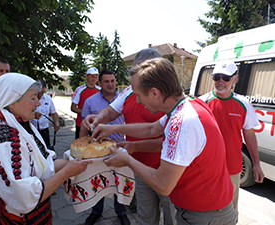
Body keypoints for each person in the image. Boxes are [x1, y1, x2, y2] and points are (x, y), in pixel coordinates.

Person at [90, 58, 236, 225]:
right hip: (206, 210)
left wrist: (127, 160)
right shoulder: (187, 104)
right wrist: (114, 129)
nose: (137, 101)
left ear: (154, 93)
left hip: (204, 216)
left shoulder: (182, 122)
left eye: (139, 95)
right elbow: (152, 129)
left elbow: (163, 184)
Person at [0, 73, 92, 224]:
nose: (38, 103)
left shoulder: (21, 127)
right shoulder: (1, 139)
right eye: (33, 98)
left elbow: (43, 166)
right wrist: (67, 172)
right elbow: (23, 197)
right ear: (11, 102)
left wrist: (82, 160)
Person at [82, 49, 176, 225]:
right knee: (146, 216)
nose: (139, 100)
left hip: (167, 169)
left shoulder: (170, 102)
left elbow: (162, 138)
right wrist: (98, 117)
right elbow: (111, 112)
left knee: (172, 217)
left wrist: (133, 147)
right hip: (140, 168)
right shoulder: (128, 92)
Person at [199, 61, 264, 220]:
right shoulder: (202, 102)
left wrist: (256, 164)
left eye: (226, 78)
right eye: (216, 77)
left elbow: (249, 135)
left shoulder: (243, 103)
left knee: (230, 209)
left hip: (232, 168)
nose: (220, 81)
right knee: (206, 208)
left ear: (235, 79)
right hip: (206, 168)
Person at [80, 70, 129, 225]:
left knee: (119, 181)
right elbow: (84, 125)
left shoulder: (124, 99)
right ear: (100, 83)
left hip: (117, 148)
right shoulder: (90, 101)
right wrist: (82, 144)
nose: (110, 84)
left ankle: (121, 212)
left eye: (113, 81)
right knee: (97, 181)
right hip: (97, 150)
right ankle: (96, 211)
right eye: (106, 81)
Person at [71, 67, 101, 139]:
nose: (94, 79)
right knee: (81, 146)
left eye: (96, 77)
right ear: (87, 76)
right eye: (92, 76)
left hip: (96, 124)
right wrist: (87, 113)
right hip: (81, 124)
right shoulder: (80, 89)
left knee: (96, 146)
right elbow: (73, 108)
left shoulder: (100, 90)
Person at [31, 79, 60, 149]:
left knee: (46, 149)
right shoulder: (28, 99)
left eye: (43, 92)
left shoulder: (48, 99)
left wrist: (57, 122)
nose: (40, 95)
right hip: (31, 129)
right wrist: (33, 115)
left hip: (44, 130)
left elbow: (54, 113)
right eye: (39, 93)